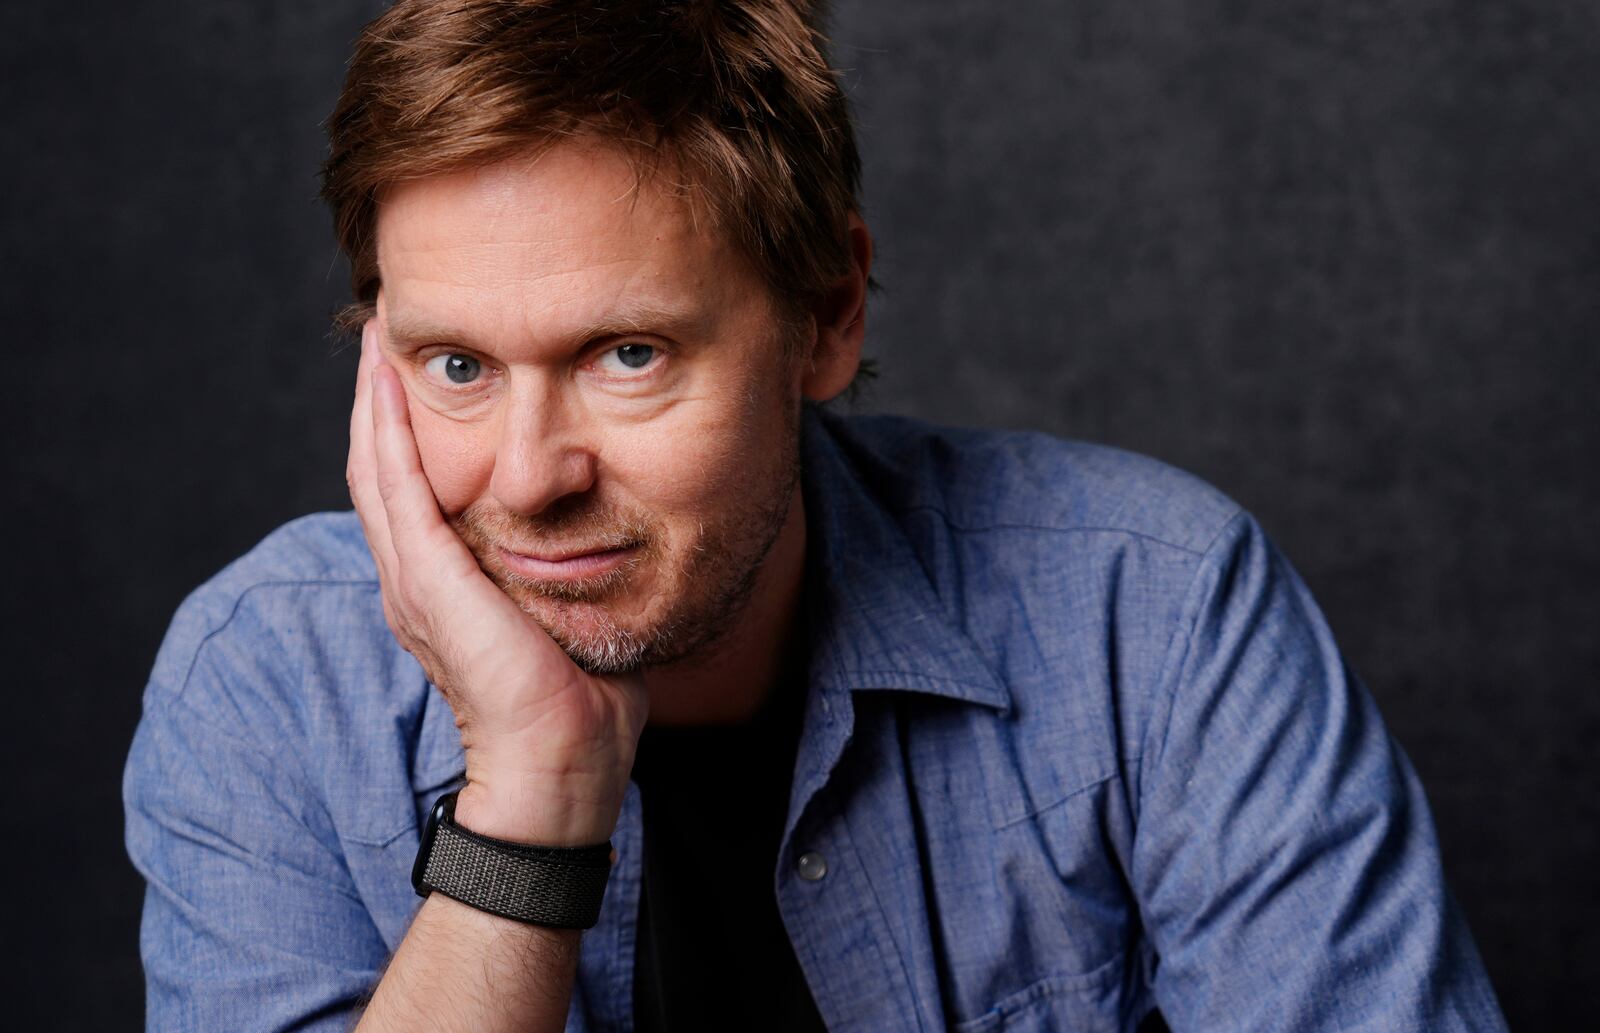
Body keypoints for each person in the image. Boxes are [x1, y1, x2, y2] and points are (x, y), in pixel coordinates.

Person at [123, 2, 1510, 1030]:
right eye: (458, 367)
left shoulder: (1152, 613)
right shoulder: (265, 686)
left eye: (630, 354)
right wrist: (534, 795)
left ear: (827, 314)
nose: (533, 475)